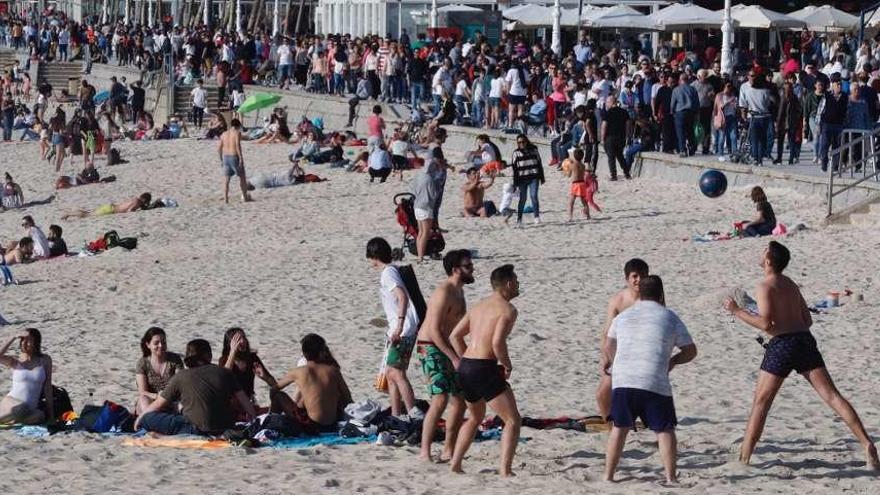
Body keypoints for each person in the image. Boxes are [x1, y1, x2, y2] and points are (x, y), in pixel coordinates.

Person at [723, 242, 880, 470]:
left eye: (763, 251)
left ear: (769, 260)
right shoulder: (791, 284)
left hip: (782, 345)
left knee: (761, 402)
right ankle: (867, 443)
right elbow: (807, 320)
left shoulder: (765, 285)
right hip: (804, 340)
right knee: (832, 395)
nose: (760, 254)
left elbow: (766, 324)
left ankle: (744, 458)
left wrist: (737, 311)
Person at [603, 276, 697, 483]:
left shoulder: (622, 317)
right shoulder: (669, 317)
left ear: (640, 294)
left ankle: (608, 476)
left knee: (619, 429)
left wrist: (617, 363)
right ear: (661, 294)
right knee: (664, 430)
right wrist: (673, 361)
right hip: (653, 381)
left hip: (623, 381)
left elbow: (608, 346)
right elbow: (690, 351)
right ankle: (671, 477)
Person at [449, 264, 522, 476]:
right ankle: (505, 470)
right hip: (483, 367)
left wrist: (466, 360)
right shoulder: (508, 310)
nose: (518, 285)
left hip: (466, 367)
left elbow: (455, 336)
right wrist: (507, 364)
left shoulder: (478, 306)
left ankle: (456, 463)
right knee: (512, 420)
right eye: (516, 281)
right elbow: (498, 342)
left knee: (475, 417)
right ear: (508, 284)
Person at [417, 250, 474, 462]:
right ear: (455, 270)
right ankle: (425, 451)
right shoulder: (444, 292)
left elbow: (455, 330)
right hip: (430, 347)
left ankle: (448, 449)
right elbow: (433, 330)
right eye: (468, 266)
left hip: (447, 346)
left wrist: (466, 356)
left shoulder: (459, 291)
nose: (472, 269)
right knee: (439, 399)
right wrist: (454, 357)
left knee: (460, 400)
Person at [134, 339, 257, 435]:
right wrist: (253, 419)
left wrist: (140, 418)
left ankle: (162, 434)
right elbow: (246, 404)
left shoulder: (182, 376)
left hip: (194, 428)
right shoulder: (225, 372)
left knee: (150, 418)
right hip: (225, 426)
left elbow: (157, 405)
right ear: (208, 356)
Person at [365, 237, 422, 420]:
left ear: (374, 256)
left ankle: (413, 411)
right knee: (391, 374)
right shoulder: (393, 270)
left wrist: (398, 325)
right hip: (407, 327)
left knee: (395, 372)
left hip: (403, 329)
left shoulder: (387, 273)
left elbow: (402, 297)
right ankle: (396, 415)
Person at [261, 334, 353, 432]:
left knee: (279, 396)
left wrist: (268, 382)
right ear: (321, 352)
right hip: (332, 425)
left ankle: (270, 426)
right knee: (307, 398)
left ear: (304, 354)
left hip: (311, 427)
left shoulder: (299, 372)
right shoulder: (333, 370)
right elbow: (348, 399)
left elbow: (274, 389)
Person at [597, 258, 650, 420]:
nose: (638, 280)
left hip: (643, 351)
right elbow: (606, 332)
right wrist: (605, 356)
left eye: (642, 275)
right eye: (634, 276)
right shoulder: (618, 301)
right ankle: (609, 423)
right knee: (602, 393)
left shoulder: (652, 299)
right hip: (620, 352)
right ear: (627, 278)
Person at [0, 328, 53, 424]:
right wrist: (13, 338)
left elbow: (47, 387)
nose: (24, 343)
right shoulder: (16, 361)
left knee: (40, 415)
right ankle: (10, 418)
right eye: (22, 340)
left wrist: (51, 412)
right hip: (11, 402)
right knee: (22, 408)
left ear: (36, 342)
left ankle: (12, 420)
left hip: (30, 409)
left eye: (28, 340)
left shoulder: (45, 360)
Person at [219, 328, 273, 419]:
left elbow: (274, 384)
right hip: (232, 405)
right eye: (238, 339)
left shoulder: (252, 358)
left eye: (244, 337)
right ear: (230, 344)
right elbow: (224, 376)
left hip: (249, 403)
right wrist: (233, 352)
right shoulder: (224, 360)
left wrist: (265, 377)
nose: (243, 341)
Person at [135, 327, 184, 415]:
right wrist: (157, 396)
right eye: (156, 343)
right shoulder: (143, 363)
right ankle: (151, 424)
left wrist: (166, 396)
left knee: (183, 405)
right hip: (152, 401)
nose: (161, 345)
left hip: (172, 400)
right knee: (143, 399)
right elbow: (143, 391)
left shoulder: (175, 360)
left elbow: (180, 385)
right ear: (148, 345)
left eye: (163, 342)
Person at [510, 134, 545, 226]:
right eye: (519, 142)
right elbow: (515, 170)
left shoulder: (534, 150)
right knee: (523, 199)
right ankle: (519, 219)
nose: (521, 144)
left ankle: (536, 217)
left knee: (534, 196)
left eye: (523, 142)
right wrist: (515, 183)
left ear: (526, 141)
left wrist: (542, 177)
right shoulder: (516, 153)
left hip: (534, 177)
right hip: (522, 179)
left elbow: (539, 164)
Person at [218, 119, 252, 203]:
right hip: (234, 156)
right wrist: (241, 158)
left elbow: (219, 148)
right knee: (242, 177)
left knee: (226, 179)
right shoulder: (237, 133)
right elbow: (237, 146)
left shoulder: (223, 134)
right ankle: (244, 197)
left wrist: (221, 159)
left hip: (225, 157)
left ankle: (226, 199)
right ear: (238, 126)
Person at [601, 95, 632, 180]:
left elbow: (604, 126)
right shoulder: (624, 112)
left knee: (611, 157)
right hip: (621, 137)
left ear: (611, 102)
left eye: (607, 102)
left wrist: (602, 138)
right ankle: (627, 173)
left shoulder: (608, 113)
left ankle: (613, 175)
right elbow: (628, 125)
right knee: (620, 156)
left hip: (610, 137)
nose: (606, 104)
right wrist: (627, 136)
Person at [565, 148, 601, 221]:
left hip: (575, 184)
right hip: (582, 184)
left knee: (571, 201)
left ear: (574, 156)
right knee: (584, 202)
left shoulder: (573, 164)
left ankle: (570, 217)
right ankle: (588, 216)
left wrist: (567, 168)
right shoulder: (583, 165)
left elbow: (569, 175)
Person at [61, 193, 152, 219]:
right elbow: (129, 211)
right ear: (144, 200)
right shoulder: (138, 202)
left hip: (110, 206)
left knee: (88, 213)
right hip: (111, 210)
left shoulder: (135, 198)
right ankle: (69, 214)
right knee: (87, 215)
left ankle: (72, 212)